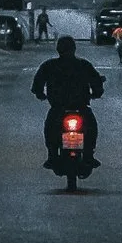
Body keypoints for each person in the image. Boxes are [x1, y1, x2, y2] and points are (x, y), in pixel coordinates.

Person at [30, 31, 105, 170]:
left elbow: (37, 83)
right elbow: (96, 82)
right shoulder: (83, 65)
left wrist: (39, 93)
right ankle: (87, 155)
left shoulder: (49, 66)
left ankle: (53, 155)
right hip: (78, 106)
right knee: (90, 127)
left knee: (51, 128)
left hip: (60, 107)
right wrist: (97, 92)